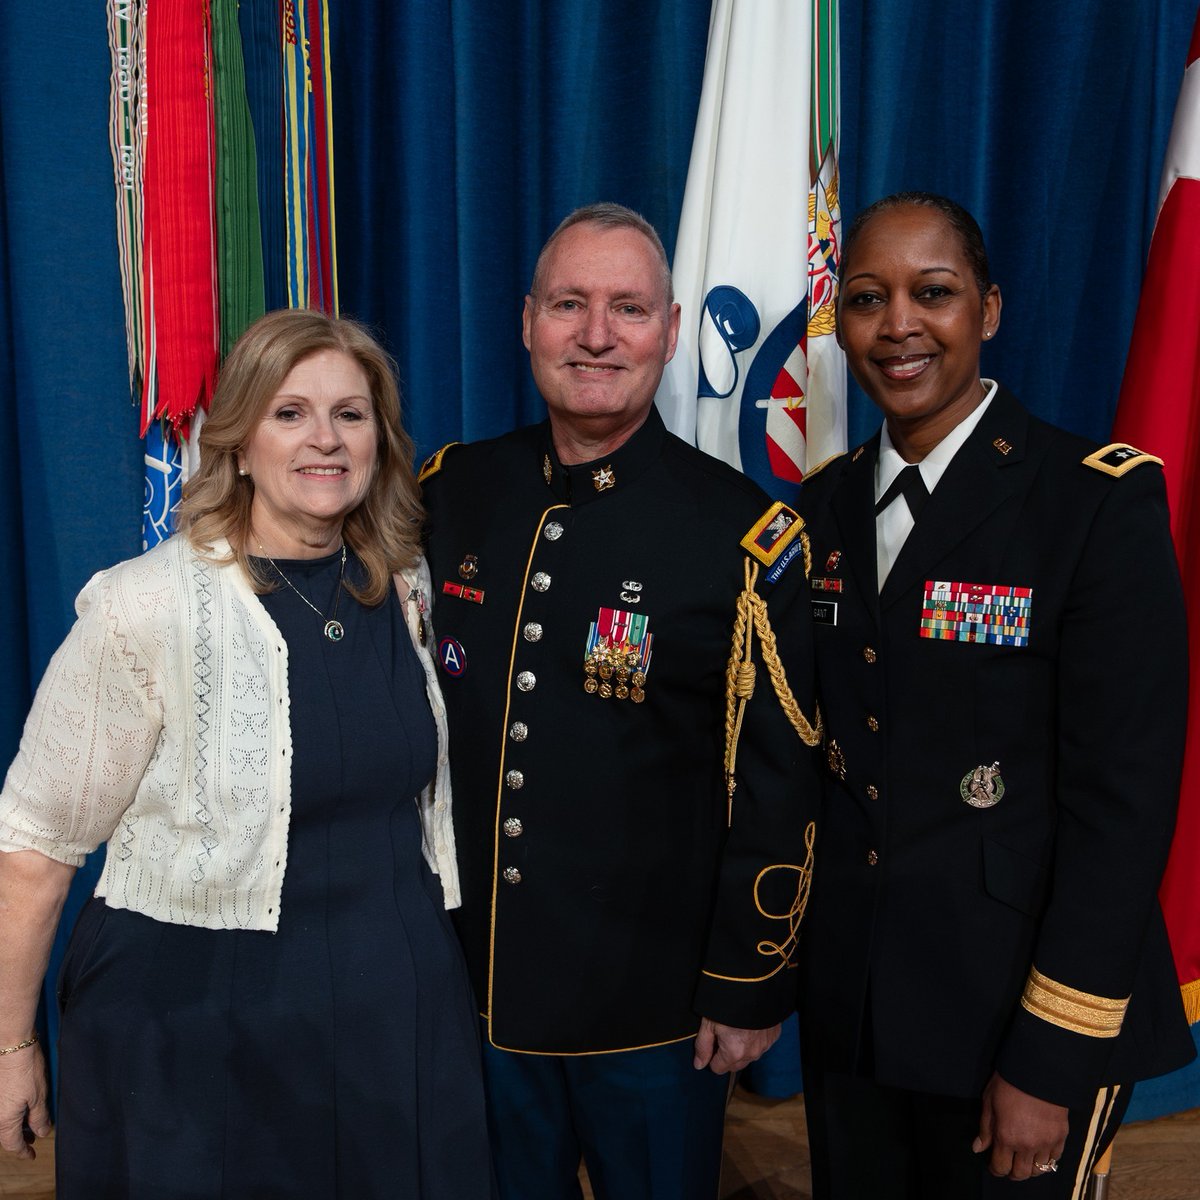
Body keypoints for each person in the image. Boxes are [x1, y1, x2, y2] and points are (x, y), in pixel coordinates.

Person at [0, 309, 494, 1198]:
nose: (326, 439)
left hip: (393, 1015)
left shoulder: (407, 589)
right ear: (236, 441)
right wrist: (10, 1046)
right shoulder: (141, 607)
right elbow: (36, 848)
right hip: (195, 1030)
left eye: (351, 414)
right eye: (290, 412)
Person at [795, 191, 1195, 1199]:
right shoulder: (824, 504)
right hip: (859, 1015)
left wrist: (1048, 1056)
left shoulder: (1092, 502)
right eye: (866, 299)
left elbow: (1123, 807)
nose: (898, 327)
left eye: (934, 293)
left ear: (990, 309)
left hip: (1012, 1023)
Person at [419, 202, 821, 1199]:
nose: (596, 335)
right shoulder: (452, 492)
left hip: (650, 1013)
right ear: (526, 323)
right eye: (569, 305)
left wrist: (749, 978)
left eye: (628, 309)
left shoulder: (742, 538)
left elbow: (780, 782)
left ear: (672, 332)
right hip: (473, 993)